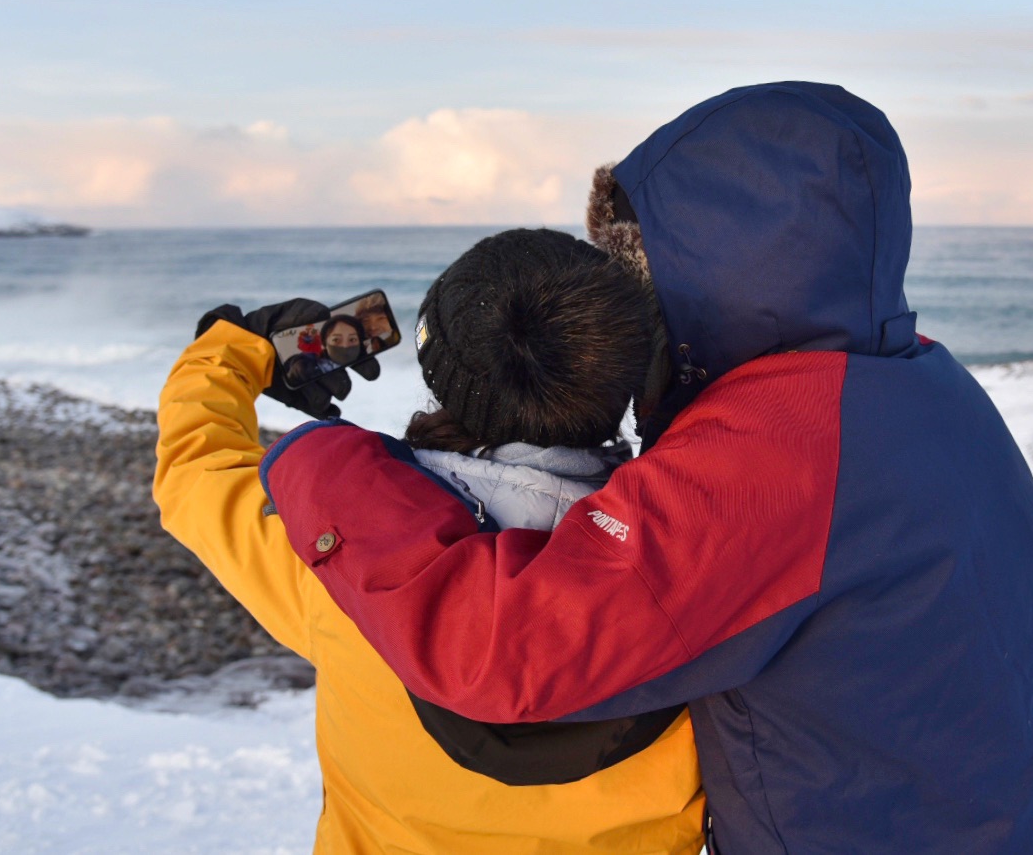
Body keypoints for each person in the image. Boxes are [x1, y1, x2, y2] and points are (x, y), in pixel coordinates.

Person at [259, 82, 1033, 854]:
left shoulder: (778, 446)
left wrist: (326, 459)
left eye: (635, 274)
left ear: (699, 270)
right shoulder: (919, 379)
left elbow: (501, 649)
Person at [154, 234, 704, 853]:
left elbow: (194, 465)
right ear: (629, 376)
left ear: (441, 373)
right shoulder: (712, 566)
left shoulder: (337, 554)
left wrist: (239, 350)